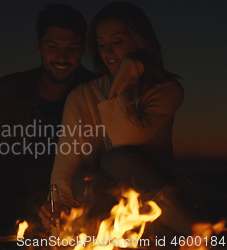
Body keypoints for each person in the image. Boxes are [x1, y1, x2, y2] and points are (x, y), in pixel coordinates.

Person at [39, 2, 201, 236]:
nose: (107, 52)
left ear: (140, 41)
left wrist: (122, 84)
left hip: (167, 199)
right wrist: (58, 207)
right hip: (114, 202)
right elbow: (67, 161)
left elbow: (126, 137)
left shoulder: (167, 90)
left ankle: (200, 235)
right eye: (101, 44)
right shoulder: (81, 96)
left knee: (115, 159)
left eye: (117, 42)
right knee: (83, 184)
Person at [0, 3, 96, 235]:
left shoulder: (96, 92)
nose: (62, 57)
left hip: (66, 199)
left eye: (72, 48)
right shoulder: (5, 91)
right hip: (4, 199)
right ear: (38, 46)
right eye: (53, 47)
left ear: (84, 48)